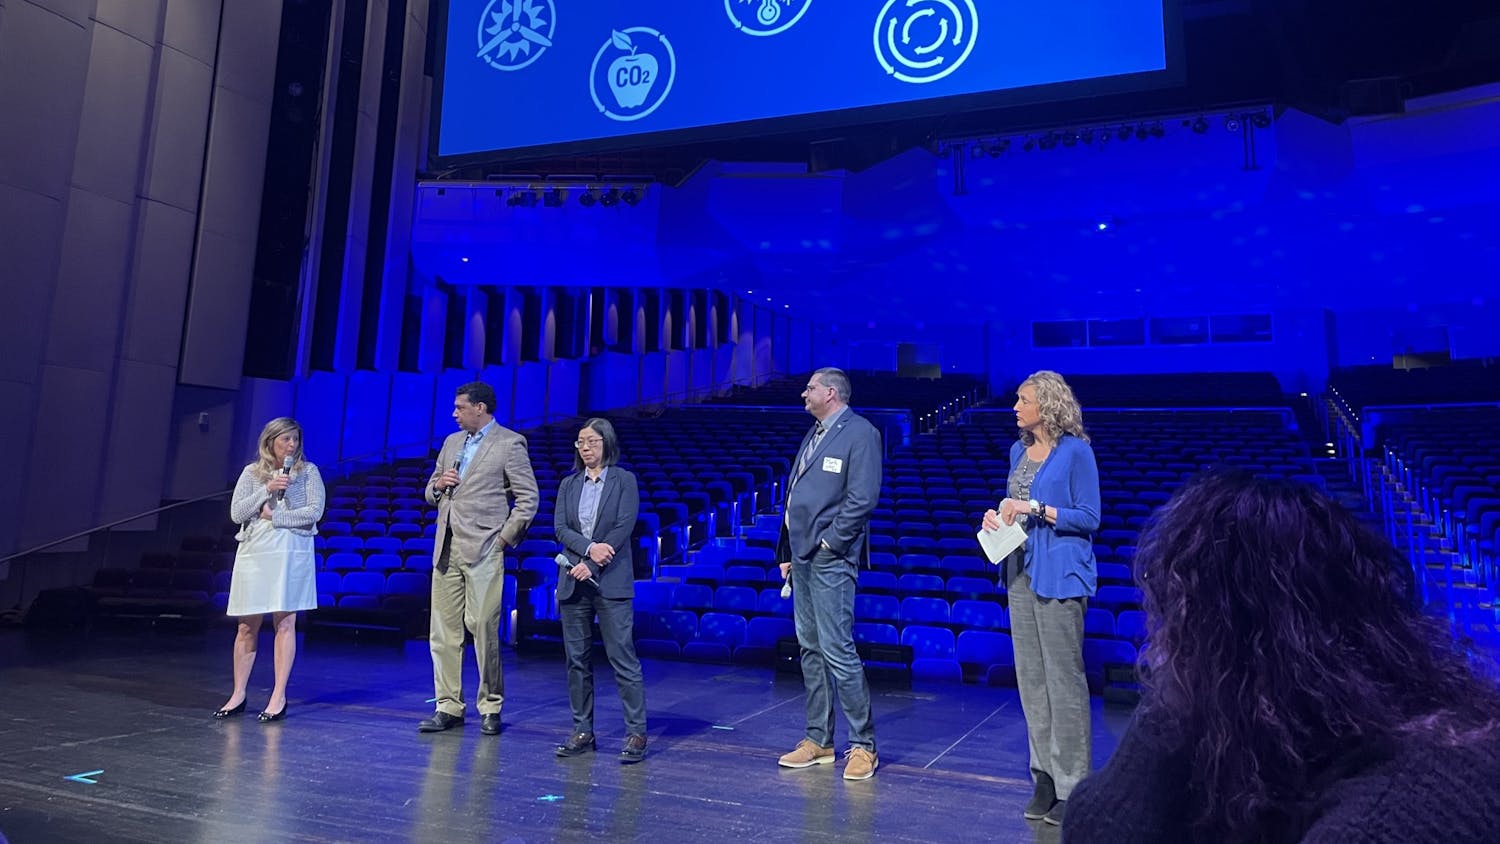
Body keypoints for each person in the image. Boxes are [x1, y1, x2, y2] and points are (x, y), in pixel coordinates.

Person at [1064, 470, 1500, 844]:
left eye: (1173, 627)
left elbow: (1097, 830)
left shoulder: (1378, 822)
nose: (1158, 647)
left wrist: (1183, 688)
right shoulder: (1374, 730)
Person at [982, 370, 1099, 826]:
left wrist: (1034, 508)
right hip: (1020, 575)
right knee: (1031, 682)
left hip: (1062, 575)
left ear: (1046, 406)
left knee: (1064, 683)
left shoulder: (1076, 453)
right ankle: (1044, 778)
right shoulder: (1018, 451)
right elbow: (1016, 504)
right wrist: (999, 516)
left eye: (1022, 400)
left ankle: (1073, 786)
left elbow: (1089, 516)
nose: (1015, 407)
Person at [776, 367, 882, 780]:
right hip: (801, 556)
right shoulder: (815, 432)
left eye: (811, 388)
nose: (804, 393)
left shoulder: (861, 433)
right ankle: (819, 739)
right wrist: (787, 548)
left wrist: (830, 544)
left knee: (837, 648)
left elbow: (862, 499)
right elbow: (795, 496)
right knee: (811, 648)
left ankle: (863, 746)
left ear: (831, 393)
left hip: (831, 557)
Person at [418, 382, 539, 735]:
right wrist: (438, 484)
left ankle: (490, 705)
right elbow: (429, 491)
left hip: (485, 547)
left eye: (460, 407)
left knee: (483, 626)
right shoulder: (451, 443)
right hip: (447, 546)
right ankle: (448, 706)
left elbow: (528, 498)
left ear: (481, 408)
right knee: (442, 633)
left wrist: (503, 539)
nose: (454, 414)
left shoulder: (509, 443)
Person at [553, 417, 648, 763]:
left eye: (592, 441)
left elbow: (624, 526)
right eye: (580, 442)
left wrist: (592, 562)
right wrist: (588, 550)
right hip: (573, 582)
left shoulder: (624, 480)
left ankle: (636, 732)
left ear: (606, 443)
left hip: (610, 582)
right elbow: (560, 527)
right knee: (576, 661)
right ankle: (582, 730)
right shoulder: (569, 484)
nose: (585, 447)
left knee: (622, 657)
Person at [218, 417, 325, 722]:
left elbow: (314, 513)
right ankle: (238, 694)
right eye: (285, 440)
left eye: (295, 440)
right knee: (246, 625)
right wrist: (267, 488)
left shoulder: (309, 473)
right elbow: (238, 512)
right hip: (255, 550)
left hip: (291, 550)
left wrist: (275, 518)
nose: (291, 446)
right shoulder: (251, 473)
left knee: (285, 623)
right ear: (270, 443)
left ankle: (278, 695)